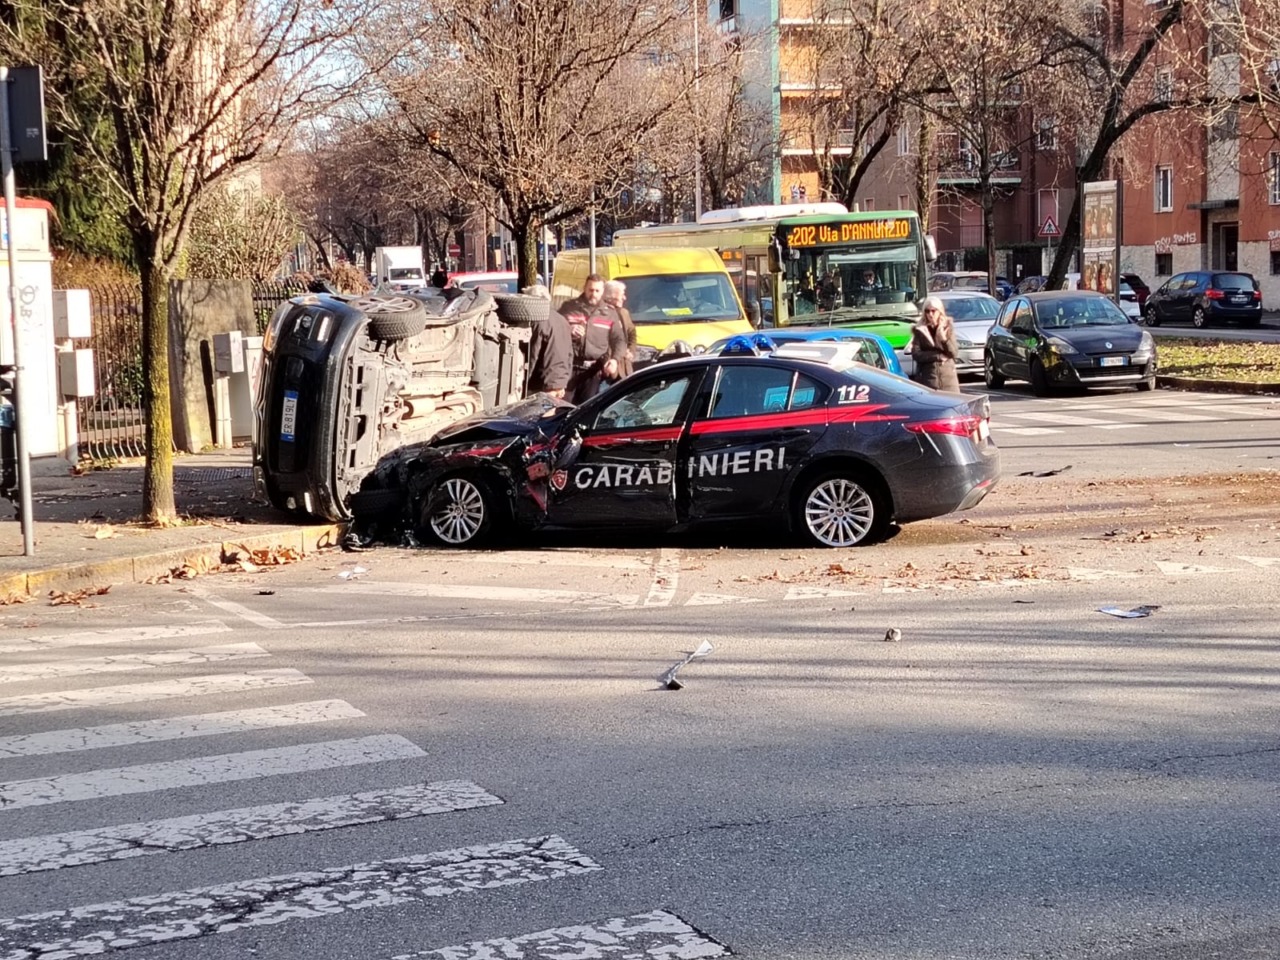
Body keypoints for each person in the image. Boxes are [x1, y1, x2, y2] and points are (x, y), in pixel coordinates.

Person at [558, 274, 627, 402]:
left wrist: (615, 360)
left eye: (597, 291)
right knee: (562, 410)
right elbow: (554, 329)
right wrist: (569, 329)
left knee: (587, 411)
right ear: (584, 288)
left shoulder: (609, 313)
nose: (593, 294)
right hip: (568, 367)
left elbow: (619, 340)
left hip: (592, 372)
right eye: (590, 290)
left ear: (602, 292)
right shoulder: (569, 307)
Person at [521, 284, 572, 399]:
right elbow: (570, 353)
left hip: (542, 383)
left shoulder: (539, 321)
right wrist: (564, 381)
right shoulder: (562, 320)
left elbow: (533, 354)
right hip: (559, 381)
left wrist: (525, 382)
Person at [909, 296, 960, 392]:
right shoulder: (919, 330)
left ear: (940, 311)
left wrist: (944, 339)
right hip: (928, 380)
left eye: (933, 311)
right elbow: (916, 354)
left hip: (948, 381)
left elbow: (953, 353)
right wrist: (937, 356)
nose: (930, 314)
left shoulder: (947, 327)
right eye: (927, 311)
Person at [602, 279, 638, 379]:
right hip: (606, 368)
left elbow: (632, 332)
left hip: (624, 369)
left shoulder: (624, 313)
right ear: (610, 296)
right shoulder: (599, 313)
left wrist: (630, 351)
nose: (624, 298)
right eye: (621, 295)